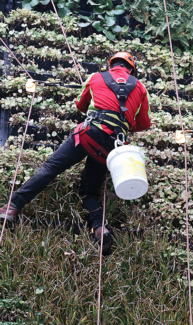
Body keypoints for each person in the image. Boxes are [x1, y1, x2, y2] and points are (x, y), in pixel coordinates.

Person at [0, 51, 151, 254]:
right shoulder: (140, 88)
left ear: (111, 64)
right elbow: (144, 124)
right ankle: (99, 228)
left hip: (88, 134)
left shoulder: (96, 77)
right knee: (89, 191)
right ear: (131, 69)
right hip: (112, 146)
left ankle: (12, 208)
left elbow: (81, 105)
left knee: (50, 168)